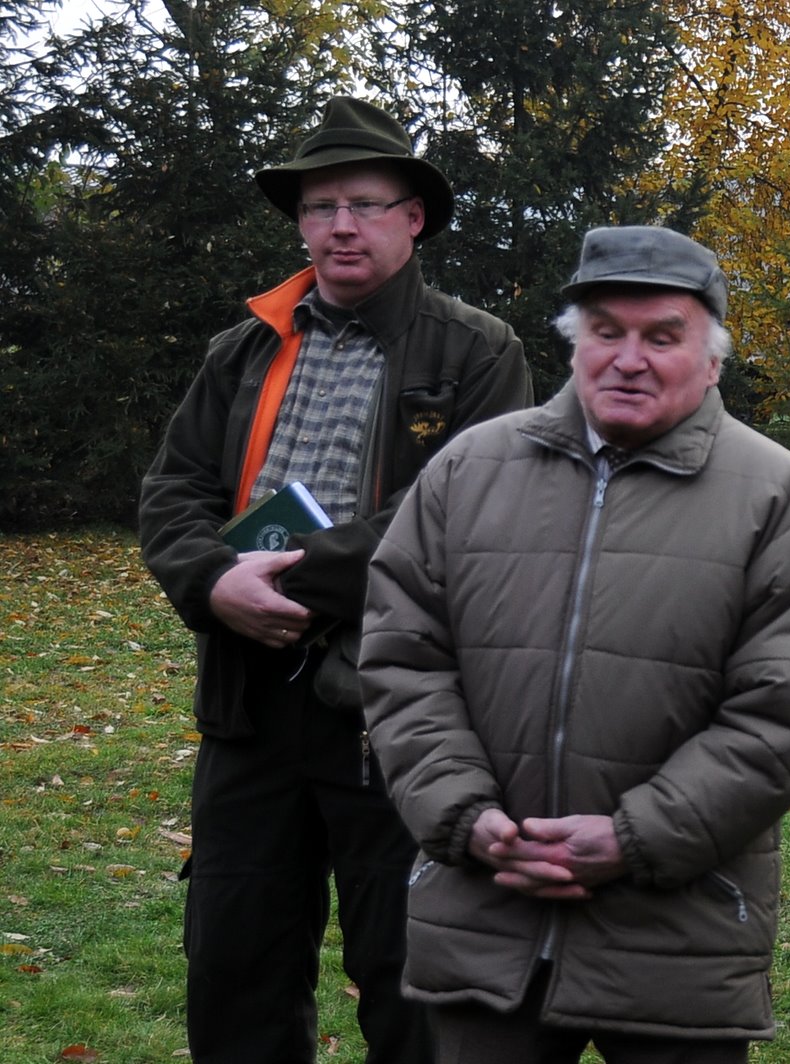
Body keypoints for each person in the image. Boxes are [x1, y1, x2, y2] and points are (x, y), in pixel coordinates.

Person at [359, 224, 790, 1064]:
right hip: (488, 916)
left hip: (678, 934)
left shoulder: (778, 497)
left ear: (713, 361)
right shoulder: (466, 471)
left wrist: (630, 839)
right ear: (574, 344)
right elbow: (404, 661)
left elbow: (781, 714)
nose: (629, 359)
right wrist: (467, 818)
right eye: (606, 332)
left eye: (662, 337)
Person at [139, 96, 533, 1063]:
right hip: (246, 709)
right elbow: (174, 488)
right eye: (320, 207)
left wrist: (287, 578)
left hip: (397, 710)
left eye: (364, 204)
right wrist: (211, 584)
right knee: (235, 969)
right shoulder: (244, 349)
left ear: (414, 218)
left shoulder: (478, 351)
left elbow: (465, 513)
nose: (340, 226)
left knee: (412, 978)